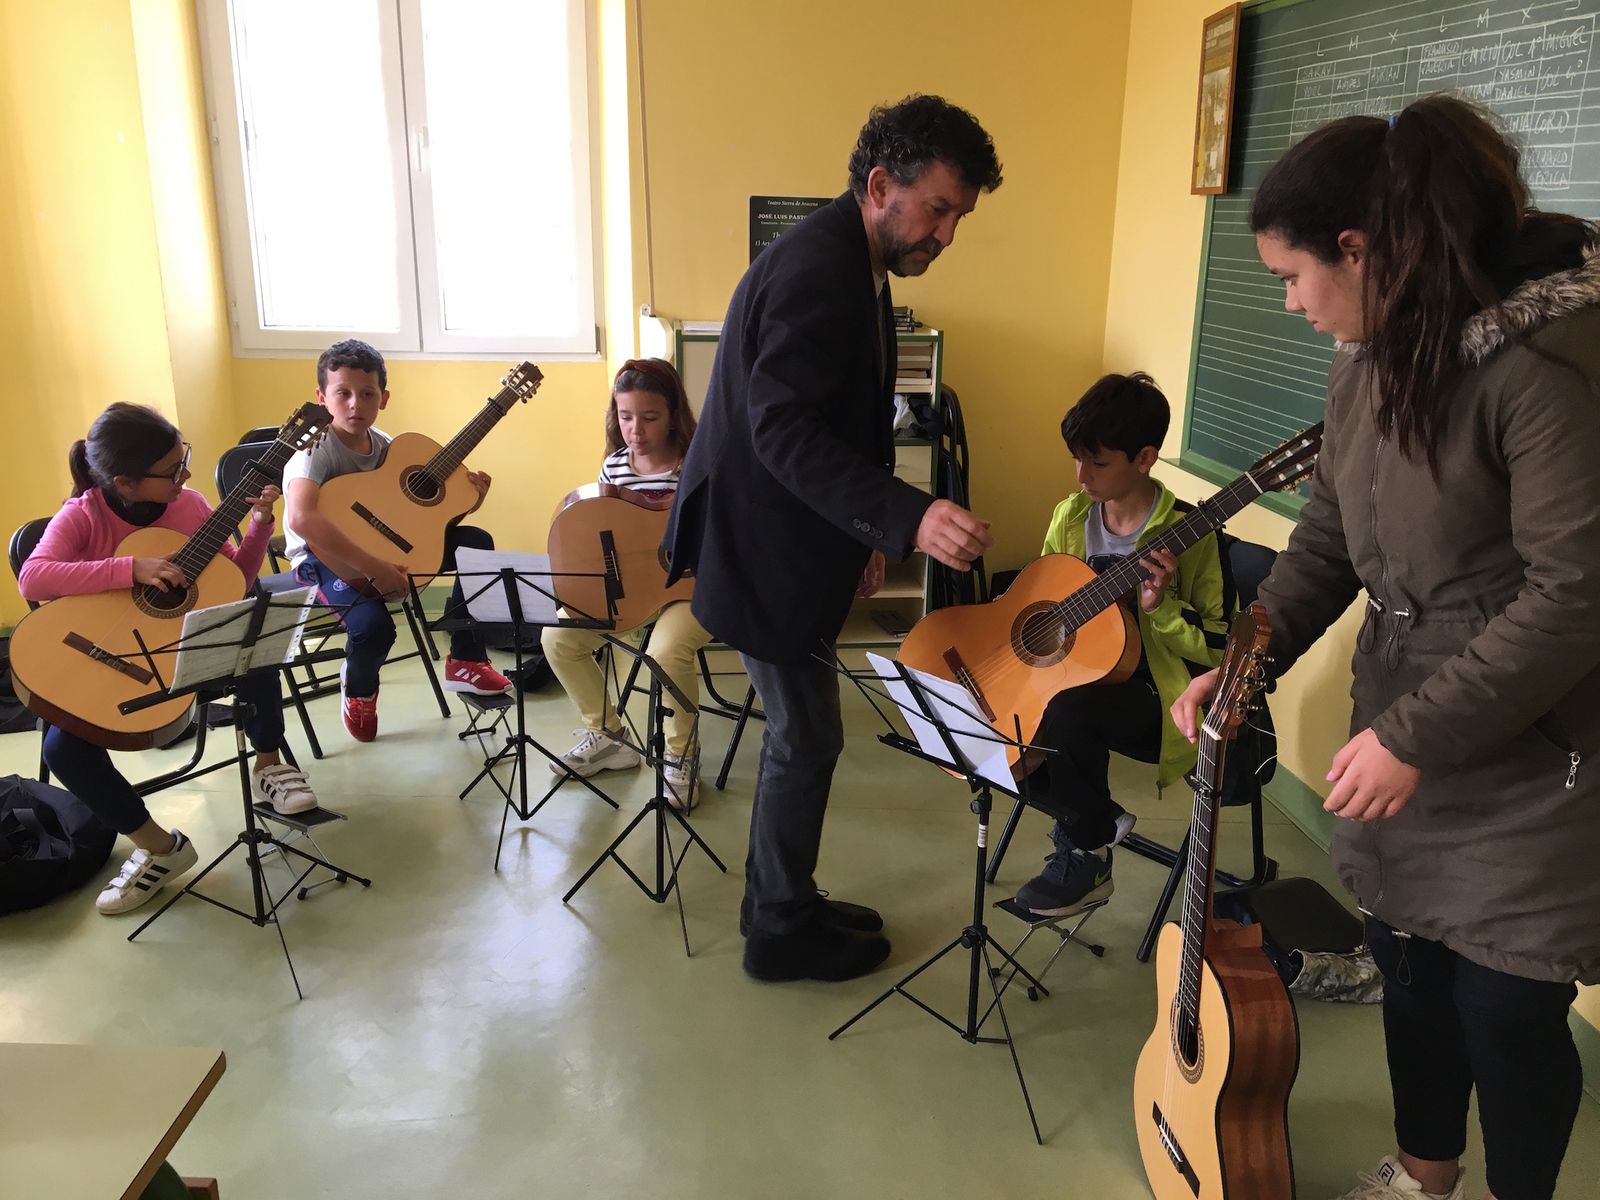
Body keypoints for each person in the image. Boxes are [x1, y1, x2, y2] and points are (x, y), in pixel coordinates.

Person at [1172, 95, 1600, 1200]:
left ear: (1358, 251)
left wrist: (1411, 734)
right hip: (1410, 740)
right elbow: (1326, 540)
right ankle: (1424, 1170)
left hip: (1535, 756)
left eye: (1293, 275)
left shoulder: (1547, 362)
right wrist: (1246, 659)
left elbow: (1574, 595)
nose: (1290, 301)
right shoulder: (1371, 353)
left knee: (1505, 1011)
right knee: (1408, 976)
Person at [664, 95, 1002, 983]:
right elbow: (781, 429)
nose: (947, 235)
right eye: (938, 210)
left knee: (805, 734)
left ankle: (782, 899)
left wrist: (865, 534)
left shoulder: (852, 258)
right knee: (805, 737)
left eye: (959, 217)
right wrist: (908, 512)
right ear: (881, 184)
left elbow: (836, 419)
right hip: (761, 551)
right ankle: (777, 929)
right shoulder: (821, 267)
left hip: (785, 542)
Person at [17, 403, 320, 914]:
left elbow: (233, 581)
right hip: (114, 658)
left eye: (185, 460)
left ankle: (268, 766)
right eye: (173, 470)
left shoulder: (192, 505)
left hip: (186, 647)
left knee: (258, 644)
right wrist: (129, 568)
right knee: (62, 748)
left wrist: (259, 526)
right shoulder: (84, 514)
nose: (186, 475)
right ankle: (159, 847)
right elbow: (35, 576)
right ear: (126, 482)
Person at [1013, 372, 1226, 918]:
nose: (1081, 476)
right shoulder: (1072, 516)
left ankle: (1085, 850)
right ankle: (1097, 817)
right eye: (1076, 459)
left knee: (1065, 712)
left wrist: (1161, 611)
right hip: (1075, 675)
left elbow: (1220, 648)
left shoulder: (1190, 532)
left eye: (1098, 463)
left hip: (1159, 697)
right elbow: (1038, 604)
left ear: (1145, 458)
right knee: (991, 731)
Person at [282, 339, 511, 743]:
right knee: (375, 629)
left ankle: (465, 657)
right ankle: (359, 690)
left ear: (383, 398)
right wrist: (375, 568)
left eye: (367, 394)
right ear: (321, 398)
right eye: (343, 393)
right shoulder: (314, 451)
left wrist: (470, 503)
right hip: (322, 559)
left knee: (477, 541)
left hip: (383, 550)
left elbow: (417, 518)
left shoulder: (388, 446)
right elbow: (302, 518)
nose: (355, 404)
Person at [542, 358, 713, 810]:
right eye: (625, 416)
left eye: (649, 417)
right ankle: (609, 736)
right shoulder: (615, 467)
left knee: (664, 651)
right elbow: (606, 534)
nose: (635, 429)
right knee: (557, 637)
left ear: (674, 414)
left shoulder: (698, 465)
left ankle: (682, 756)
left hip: (693, 592)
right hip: (632, 593)